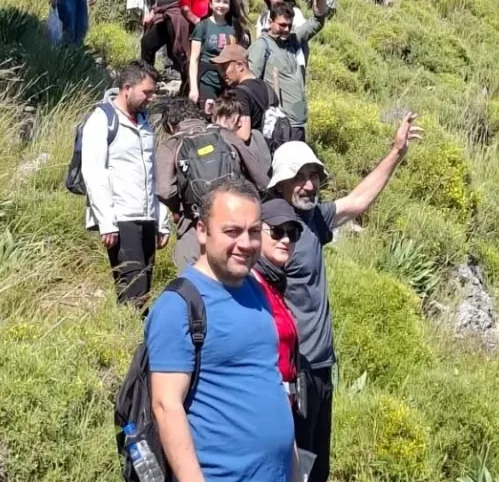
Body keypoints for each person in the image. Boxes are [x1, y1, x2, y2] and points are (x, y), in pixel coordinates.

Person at [266, 115, 424, 482]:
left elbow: (358, 201)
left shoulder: (313, 220)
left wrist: (396, 152)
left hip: (320, 367)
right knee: (295, 466)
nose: (309, 185)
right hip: (293, 372)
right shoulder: (273, 233)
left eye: (314, 176)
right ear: (281, 184)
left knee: (316, 465)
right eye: (300, 177)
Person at [148, 179, 295, 482]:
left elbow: (269, 381)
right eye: (232, 231)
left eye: (254, 231)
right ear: (202, 231)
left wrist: (295, 472)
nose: (245, 243)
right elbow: (166, 406)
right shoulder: (180, 304)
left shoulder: (256, 289)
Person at [80, 62, 170, 307]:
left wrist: (160, 220)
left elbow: (152, 175)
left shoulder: (144, 123)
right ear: (127, 88)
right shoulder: (101, 120)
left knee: (144, 289)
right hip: (121, 218)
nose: (150, 99)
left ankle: (136, 338)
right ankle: (131, 340)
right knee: (133, 291)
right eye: (147, 92)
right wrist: (106, 222)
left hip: (146, 217)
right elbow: (94, 172)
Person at [155, 98, 270, 271]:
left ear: (171, 127)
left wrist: (179, 207)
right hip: (235, 220)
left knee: (195, 281)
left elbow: (164, 191)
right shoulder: (224, 134)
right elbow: (260, 179)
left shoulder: (172, 144)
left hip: (194, 224)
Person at [250, 0, 331, 142]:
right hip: (278, 124)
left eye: (289, 25)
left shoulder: (294, 40)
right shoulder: (261, 46)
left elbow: (318, 21)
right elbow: (251, 84)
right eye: (282, 25)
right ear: (270, 21)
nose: (286, 29)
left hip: (298, 123)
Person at [254, 198, 303, 410]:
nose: (285, 239)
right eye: (277, 231)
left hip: (283, 403)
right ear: (256, 231)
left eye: (292, 234)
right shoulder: (251, 282)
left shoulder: (275, 283)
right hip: (263, 403)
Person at [189, 0, 243, 108]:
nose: (221, 5)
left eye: (225, 2)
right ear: (210, 4)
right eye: (217, 1)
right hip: (207, 80)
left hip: (228, 81)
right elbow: (194, 59)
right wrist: (194, 88)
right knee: (209, 115)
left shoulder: (235, 27)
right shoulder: (202, 27)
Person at [214, 44, 278, 145]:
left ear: (240, 65)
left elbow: (244, 135)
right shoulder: (266, 86)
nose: (222, 73)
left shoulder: (240, 93)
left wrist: (221, 129)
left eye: (224, 67)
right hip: (272, 149)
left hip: (256, 154)